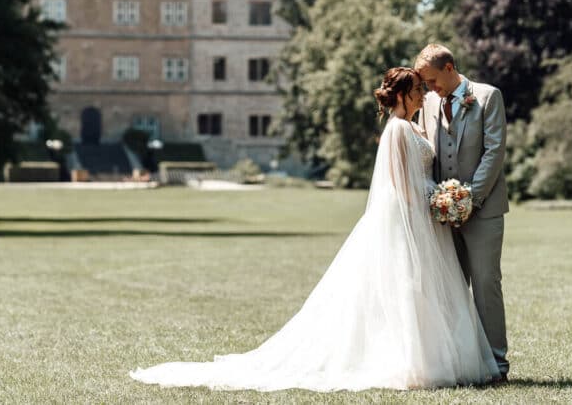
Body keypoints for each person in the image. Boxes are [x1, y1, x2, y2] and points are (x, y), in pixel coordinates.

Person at [129, 67, 500, 392]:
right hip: (410, 220)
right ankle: (415, 362)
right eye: (418, 91)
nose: (424, 95)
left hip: (423, 220)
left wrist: (441, 198)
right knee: (407, 288)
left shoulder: (412, 125)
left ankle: (429, 357)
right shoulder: (398, 130)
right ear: (403, 94)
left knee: (420, 290)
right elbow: (402, 185)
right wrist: (439, 197)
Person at [414, 44, 509, 381]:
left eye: (433, 80)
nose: (429, 88)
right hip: (442, 213)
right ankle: (459, 362)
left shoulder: (487, 97)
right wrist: (440, 201)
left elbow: (494, 151)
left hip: (483, 211)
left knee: (486, 284)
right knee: (450, 287)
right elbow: (426, 151)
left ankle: (496, 365)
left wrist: (470, 198)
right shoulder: (426, 104)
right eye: (425, 84)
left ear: (450, 68)